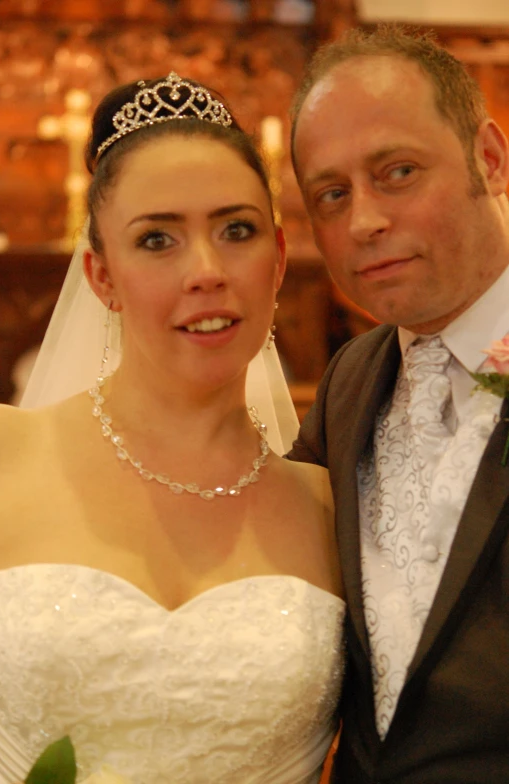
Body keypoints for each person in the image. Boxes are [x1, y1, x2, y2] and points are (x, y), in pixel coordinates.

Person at [0, 74, 345, 784]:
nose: (206, 271)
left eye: (235, 231)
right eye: (157, 239)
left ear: (277, 259)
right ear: (101, 275)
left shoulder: (335, 509)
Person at [288, 24, 509, 784]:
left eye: (398, 172)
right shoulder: (349, 383)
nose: (363, 222)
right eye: (331, 194)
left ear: (489, 158)